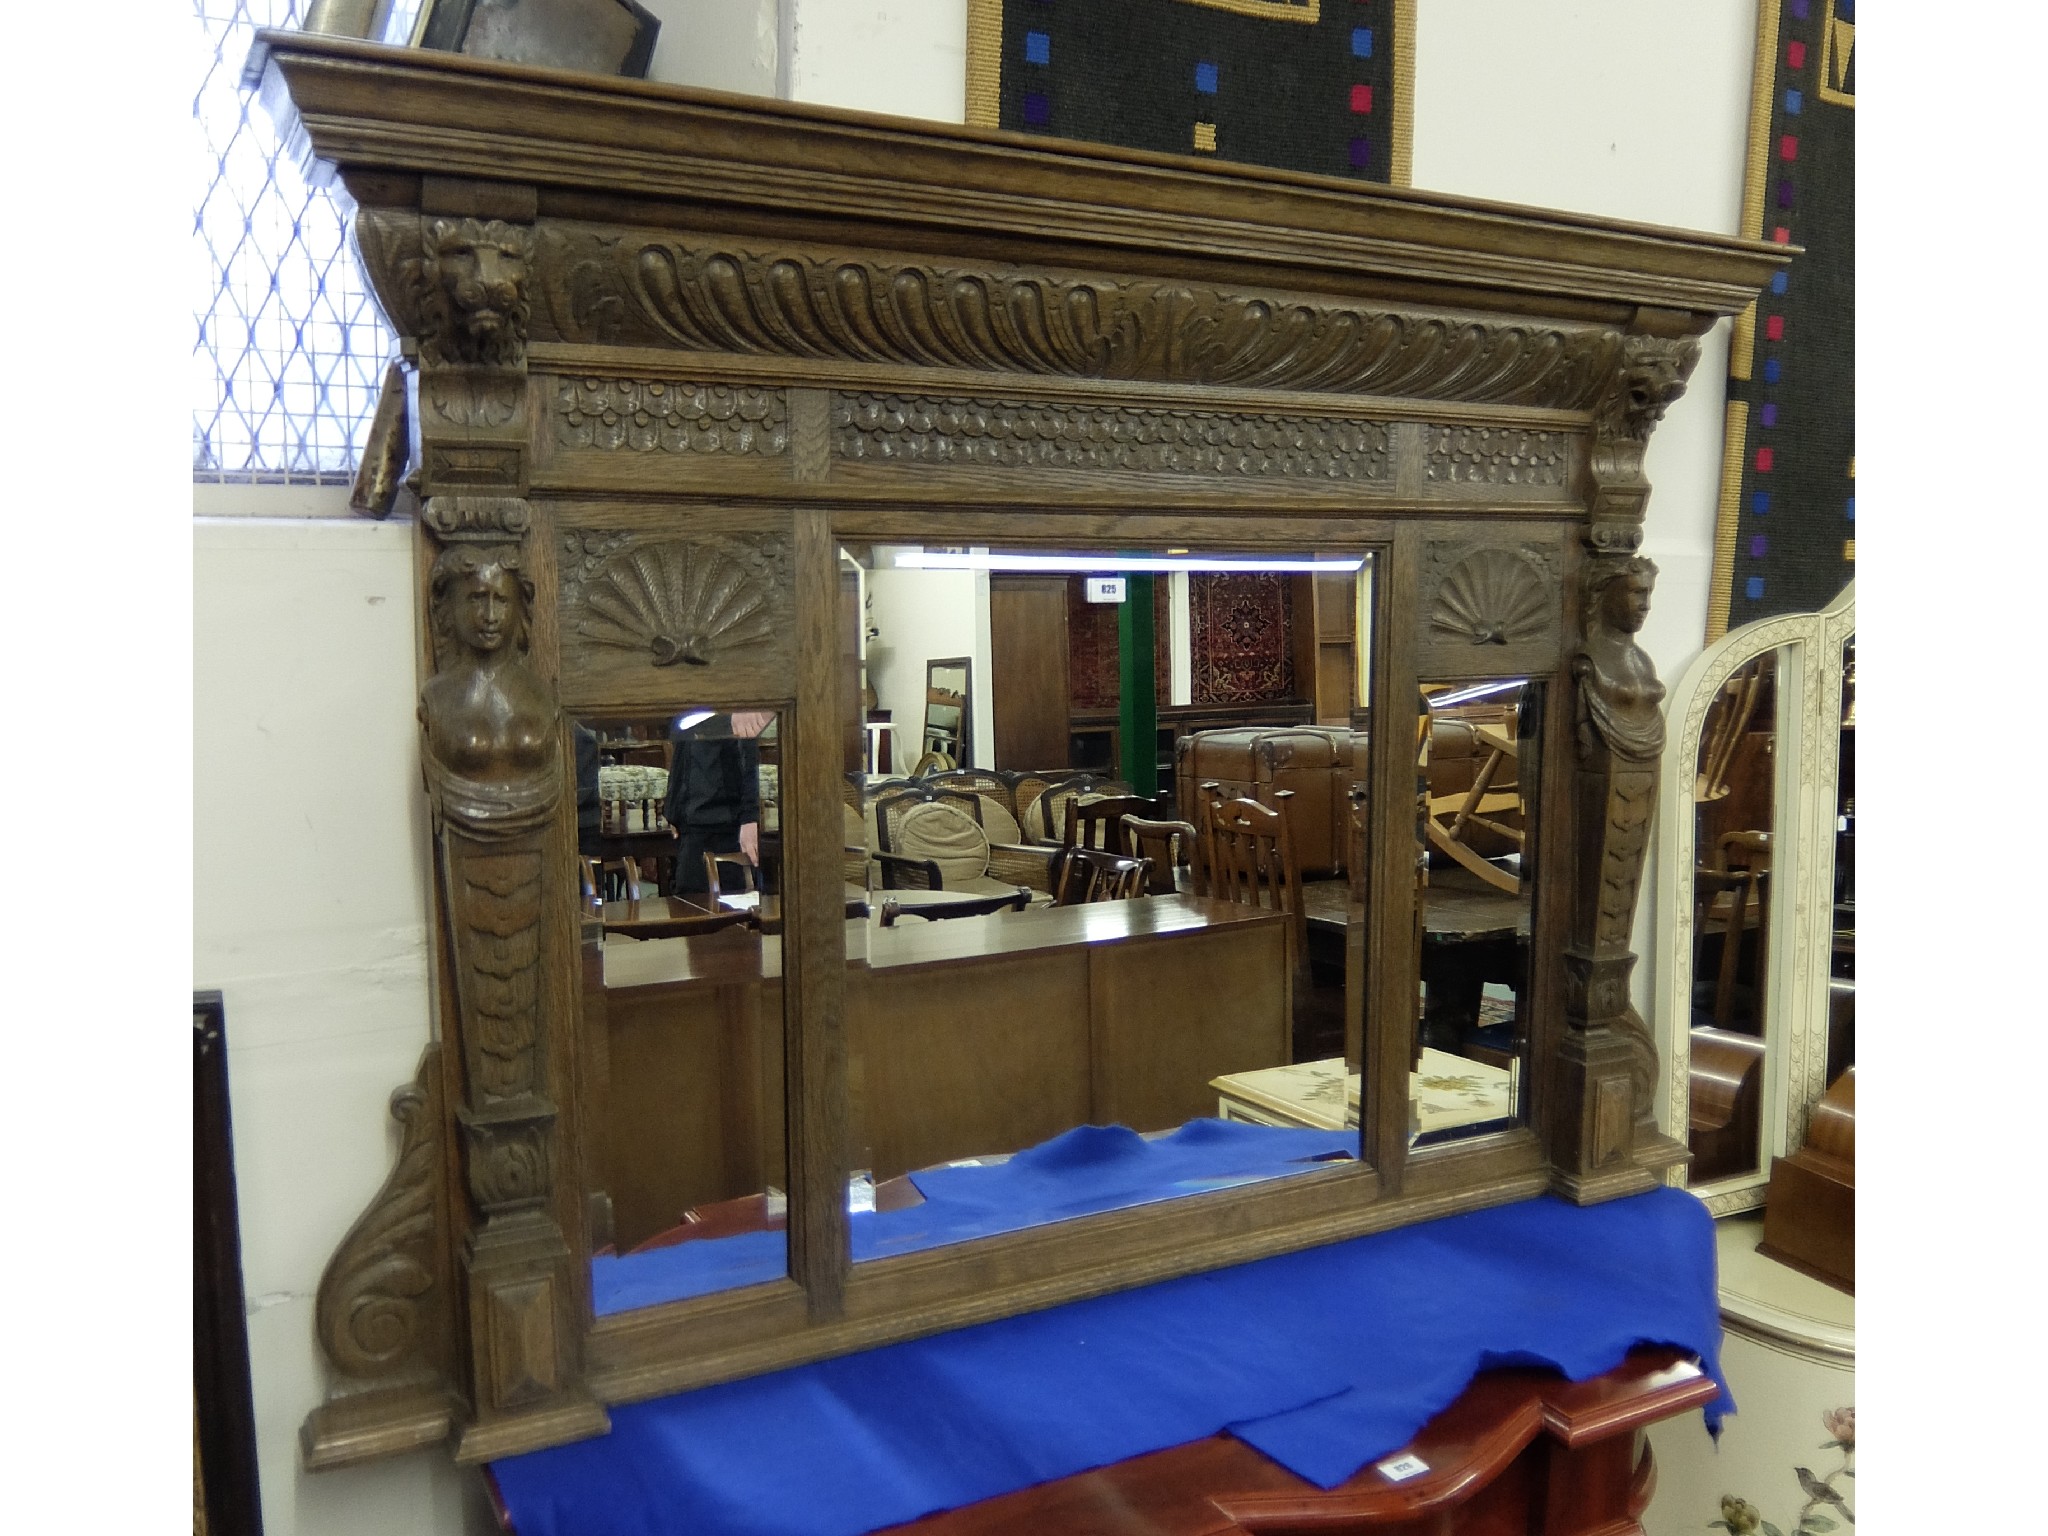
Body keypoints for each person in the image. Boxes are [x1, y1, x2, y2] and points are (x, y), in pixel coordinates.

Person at [665, 709, 774, 894]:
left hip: (723, 823)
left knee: (728, 911)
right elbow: (681, 743)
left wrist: (750, 817)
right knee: (688, 907)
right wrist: (673, 809)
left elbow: (748, 756)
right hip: (690, 824)